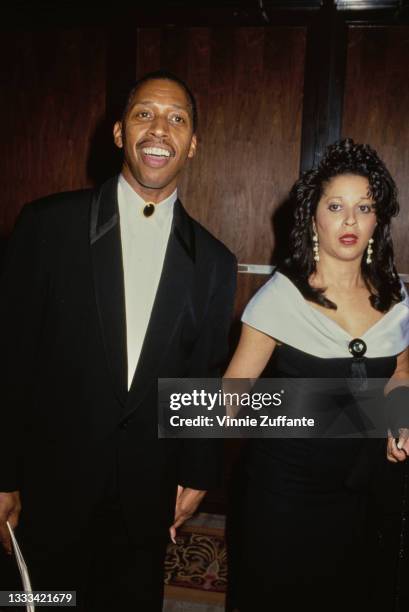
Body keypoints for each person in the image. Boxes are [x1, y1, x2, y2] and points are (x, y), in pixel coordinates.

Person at [0, 70, 237, 611]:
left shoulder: (216, 261)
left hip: (145, 493)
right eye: (144, 114)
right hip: (50, 485)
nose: (160, 129)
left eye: (177, 119)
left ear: (193, 144)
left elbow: (202, 375)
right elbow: (8, 359)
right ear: (117, 133)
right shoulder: (46, 226)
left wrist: (199, 472)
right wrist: (2, 474)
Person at [225, 139, 409, 612]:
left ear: (378, 219)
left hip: (365, 493)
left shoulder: (396, 297)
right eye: (336, 206)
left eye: (364, 207)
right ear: (313, 218)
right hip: (286, 495)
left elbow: (402, 369)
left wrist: (398, 415)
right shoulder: (279, 298)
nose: (350, 221)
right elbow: (228, 400)